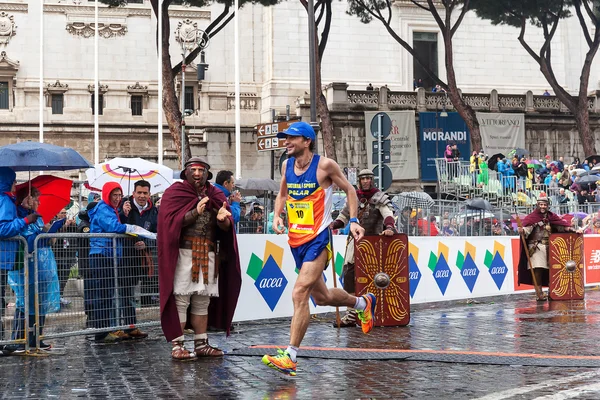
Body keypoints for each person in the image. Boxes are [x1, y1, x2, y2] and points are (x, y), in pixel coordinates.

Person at [262, 121, 373, 376]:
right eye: (285, 138)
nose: (286, 142)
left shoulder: (325, 165)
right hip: (296, 240)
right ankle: (362, 303)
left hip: (318, 239)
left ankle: (290, 356)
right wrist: (277, 216)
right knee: (321, 298)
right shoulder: (286, 165)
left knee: (299, 292)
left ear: (307, 141)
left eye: (292, 138)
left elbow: (350, 190)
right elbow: (282, 194)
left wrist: (353, 221)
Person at [158, 157, 241, 361]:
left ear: (207, 174)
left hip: (209, 252)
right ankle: (178, 344)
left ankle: (201, 343)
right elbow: (172, 223)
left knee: (202, 300)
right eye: (193, 169)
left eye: (201, 170)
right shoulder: (175, 193)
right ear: (186, 172)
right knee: (181, 298)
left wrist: (223, 220)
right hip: (184, 252)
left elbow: (225, 226)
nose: (197, 173)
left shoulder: (216, 194)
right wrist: (196, 211)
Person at [329, 169, 395, 327]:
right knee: (350, 275)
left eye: (368, 178)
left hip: (375, 243)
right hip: (355, 242)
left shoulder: (379, 197)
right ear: (359, 181)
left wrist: (390, 228)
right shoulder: (353, 197)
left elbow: (388, 214)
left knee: (377, 278)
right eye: (363, 178)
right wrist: (333, 225)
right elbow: (344, 217)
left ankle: (379, 312)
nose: (365, 181)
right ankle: (351, 315)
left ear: (372, 180)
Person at [9, 186, 60, 352]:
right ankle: (19, 339)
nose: (39, 202)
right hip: (26, 266)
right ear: (27, 199)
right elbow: (24, 238)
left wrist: (49, 233)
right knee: (24, 302)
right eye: (36, 198)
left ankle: (36, 338)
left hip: (42, 266)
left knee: (40, 303)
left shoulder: (38, 218)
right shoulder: (18, 214)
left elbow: (41, 238)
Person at [88, 182, 136, 343]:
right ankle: (101, 333)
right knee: (103, 294)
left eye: (119, 195)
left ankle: (106, 329)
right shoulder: (103, 208)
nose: (117, 198)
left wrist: (122, 215)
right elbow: (113, 226)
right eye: (114, 195)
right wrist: (130, 228)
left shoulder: (111, 209)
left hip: (107, 255)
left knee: (107, 294)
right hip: (102, 255)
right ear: (107, 195)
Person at [0, 168, 40, 353]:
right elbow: (3, 228)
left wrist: (24, 211)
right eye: (14, 182)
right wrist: (26, 220)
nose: (16, 185)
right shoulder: (4, 200)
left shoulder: (7, 200)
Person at [517, 193, 578, 301]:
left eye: (544, 204)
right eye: (540, 204)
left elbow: (561, 226)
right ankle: (539, 293)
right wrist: (523, 230)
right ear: (537, 205)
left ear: (548, 205)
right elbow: (528, 229)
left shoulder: (551, 217)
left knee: (553, 270)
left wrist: (570, 229)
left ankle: (552, 291)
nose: (542, 206)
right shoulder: (532, 217)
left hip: (550, 247)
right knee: (538, 269)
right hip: (536, 246)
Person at [117, 180, 157, 338]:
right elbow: (114, 225)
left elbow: (156, 234)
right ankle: (123, 327)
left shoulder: (154, 212)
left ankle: (131, 326)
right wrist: (122, 214)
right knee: (123, 293)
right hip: (122, 257)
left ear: (149, 194)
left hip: (140, 258)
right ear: (133, 193)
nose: (142, 196)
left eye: (145, 193)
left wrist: (145, 243)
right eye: (139, 193)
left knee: (131, 293)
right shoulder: (123, 206)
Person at [51, 208, 77, 308]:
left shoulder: (69, 223)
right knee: (57, 277)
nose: (64, 215)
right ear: (57, 214)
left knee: (64, 277)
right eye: (62, 213)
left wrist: (73, 225)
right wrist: (64, 226)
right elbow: (54, 236)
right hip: (57, 255)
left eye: (65, 213)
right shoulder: (54, 223)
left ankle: (60, 295)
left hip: (67, 256)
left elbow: (75, 235)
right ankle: (55, 298)